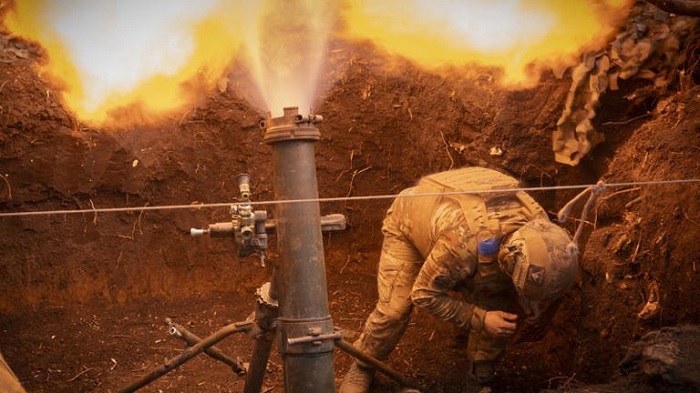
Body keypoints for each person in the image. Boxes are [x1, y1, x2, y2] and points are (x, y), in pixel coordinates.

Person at [339, 167, 579, 393]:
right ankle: (363, 364)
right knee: (394, 311)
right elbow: (423, 294)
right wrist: (481, 318)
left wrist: (528, 301)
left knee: (500, 312)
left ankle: (479, 381)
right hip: (410, 221)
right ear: (507, 261)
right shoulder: (462, 245)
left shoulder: (541, 228)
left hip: (461, 233)